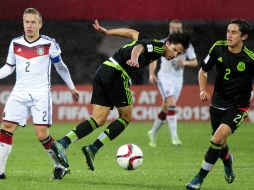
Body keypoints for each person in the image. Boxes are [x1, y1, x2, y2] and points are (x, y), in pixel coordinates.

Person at [51, 19, 190, 171]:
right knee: (126, 117)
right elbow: (139, 47)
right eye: (175, 49)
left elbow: (131, 33)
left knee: (98, 119)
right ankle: (94, 148)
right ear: (168, 43)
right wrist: (135, 58)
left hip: (104, 70)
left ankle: (63, 142)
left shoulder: (152, 42)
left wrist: (107, 32)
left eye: (179, 53)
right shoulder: (158, 47)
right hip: (117, 74)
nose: (175, 55)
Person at [0, 8, 79, 180]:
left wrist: (71, 87)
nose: (29, 25)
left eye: (33, 22)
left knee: (41, 134)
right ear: (23, 23)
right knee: (6, 127)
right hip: (19, 92)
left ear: (40, 24)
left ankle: (60, 166)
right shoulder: (15, 43)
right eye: (26, 22)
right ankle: (0, 172)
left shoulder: (49, 44)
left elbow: (60, 67)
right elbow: (9, 67)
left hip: (40, 94)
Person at [186, 19, 253, 190]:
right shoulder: (218, 48)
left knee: (216, 138)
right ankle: (227, 159)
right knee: (220, 142)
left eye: (234, 32)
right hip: (217, 104)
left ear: (244, 36)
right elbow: (203, 71)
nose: (229, 35)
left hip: (238, 106)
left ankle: (198, 179)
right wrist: (202, 90)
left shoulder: (250, 59)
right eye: (228, 31)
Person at [148, 20, 198, 147]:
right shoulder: (163, 42)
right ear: (169, 28)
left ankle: (152, 132)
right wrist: (152, 74)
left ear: (181, 30)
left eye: (178, 28)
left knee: (166, 107)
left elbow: (195, 62)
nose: (175, 30)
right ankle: (175, 138)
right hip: (164, 77)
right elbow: (153, 58)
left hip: (177, 79)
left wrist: (184, 63)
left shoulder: (187, 46)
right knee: (171, 103)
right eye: (173, 27)